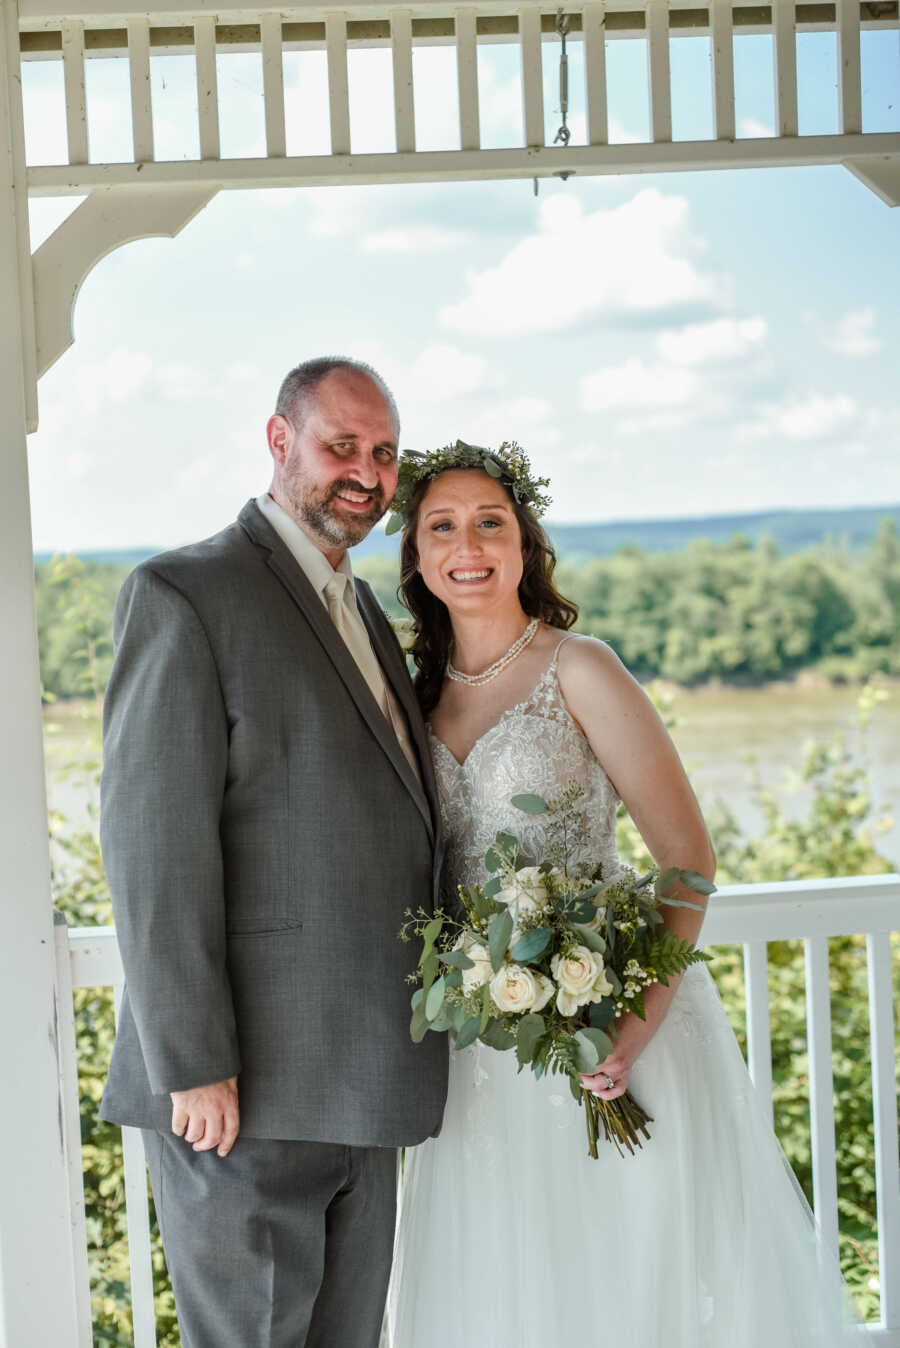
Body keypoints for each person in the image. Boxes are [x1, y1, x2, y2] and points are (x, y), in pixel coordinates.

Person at [386, 440, 866, 1347]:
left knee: (628, 1280)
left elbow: (687, 861)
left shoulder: (582, 668)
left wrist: (632, 1027)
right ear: (415, 556)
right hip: (478, 1058)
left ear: (525, 544)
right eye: (441, 526)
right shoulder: (410, 695)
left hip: (617, 1032)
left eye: (491, 521)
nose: (468, 544)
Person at [98, 357, 447, 1348]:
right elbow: (152, 846)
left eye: (384, 454)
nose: (368, 474)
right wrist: (193, 1060)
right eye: (342, 445)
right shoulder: (184, 591)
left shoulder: (366, 610)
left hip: (362, 1083)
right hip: (238, 1096)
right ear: (279, 439)